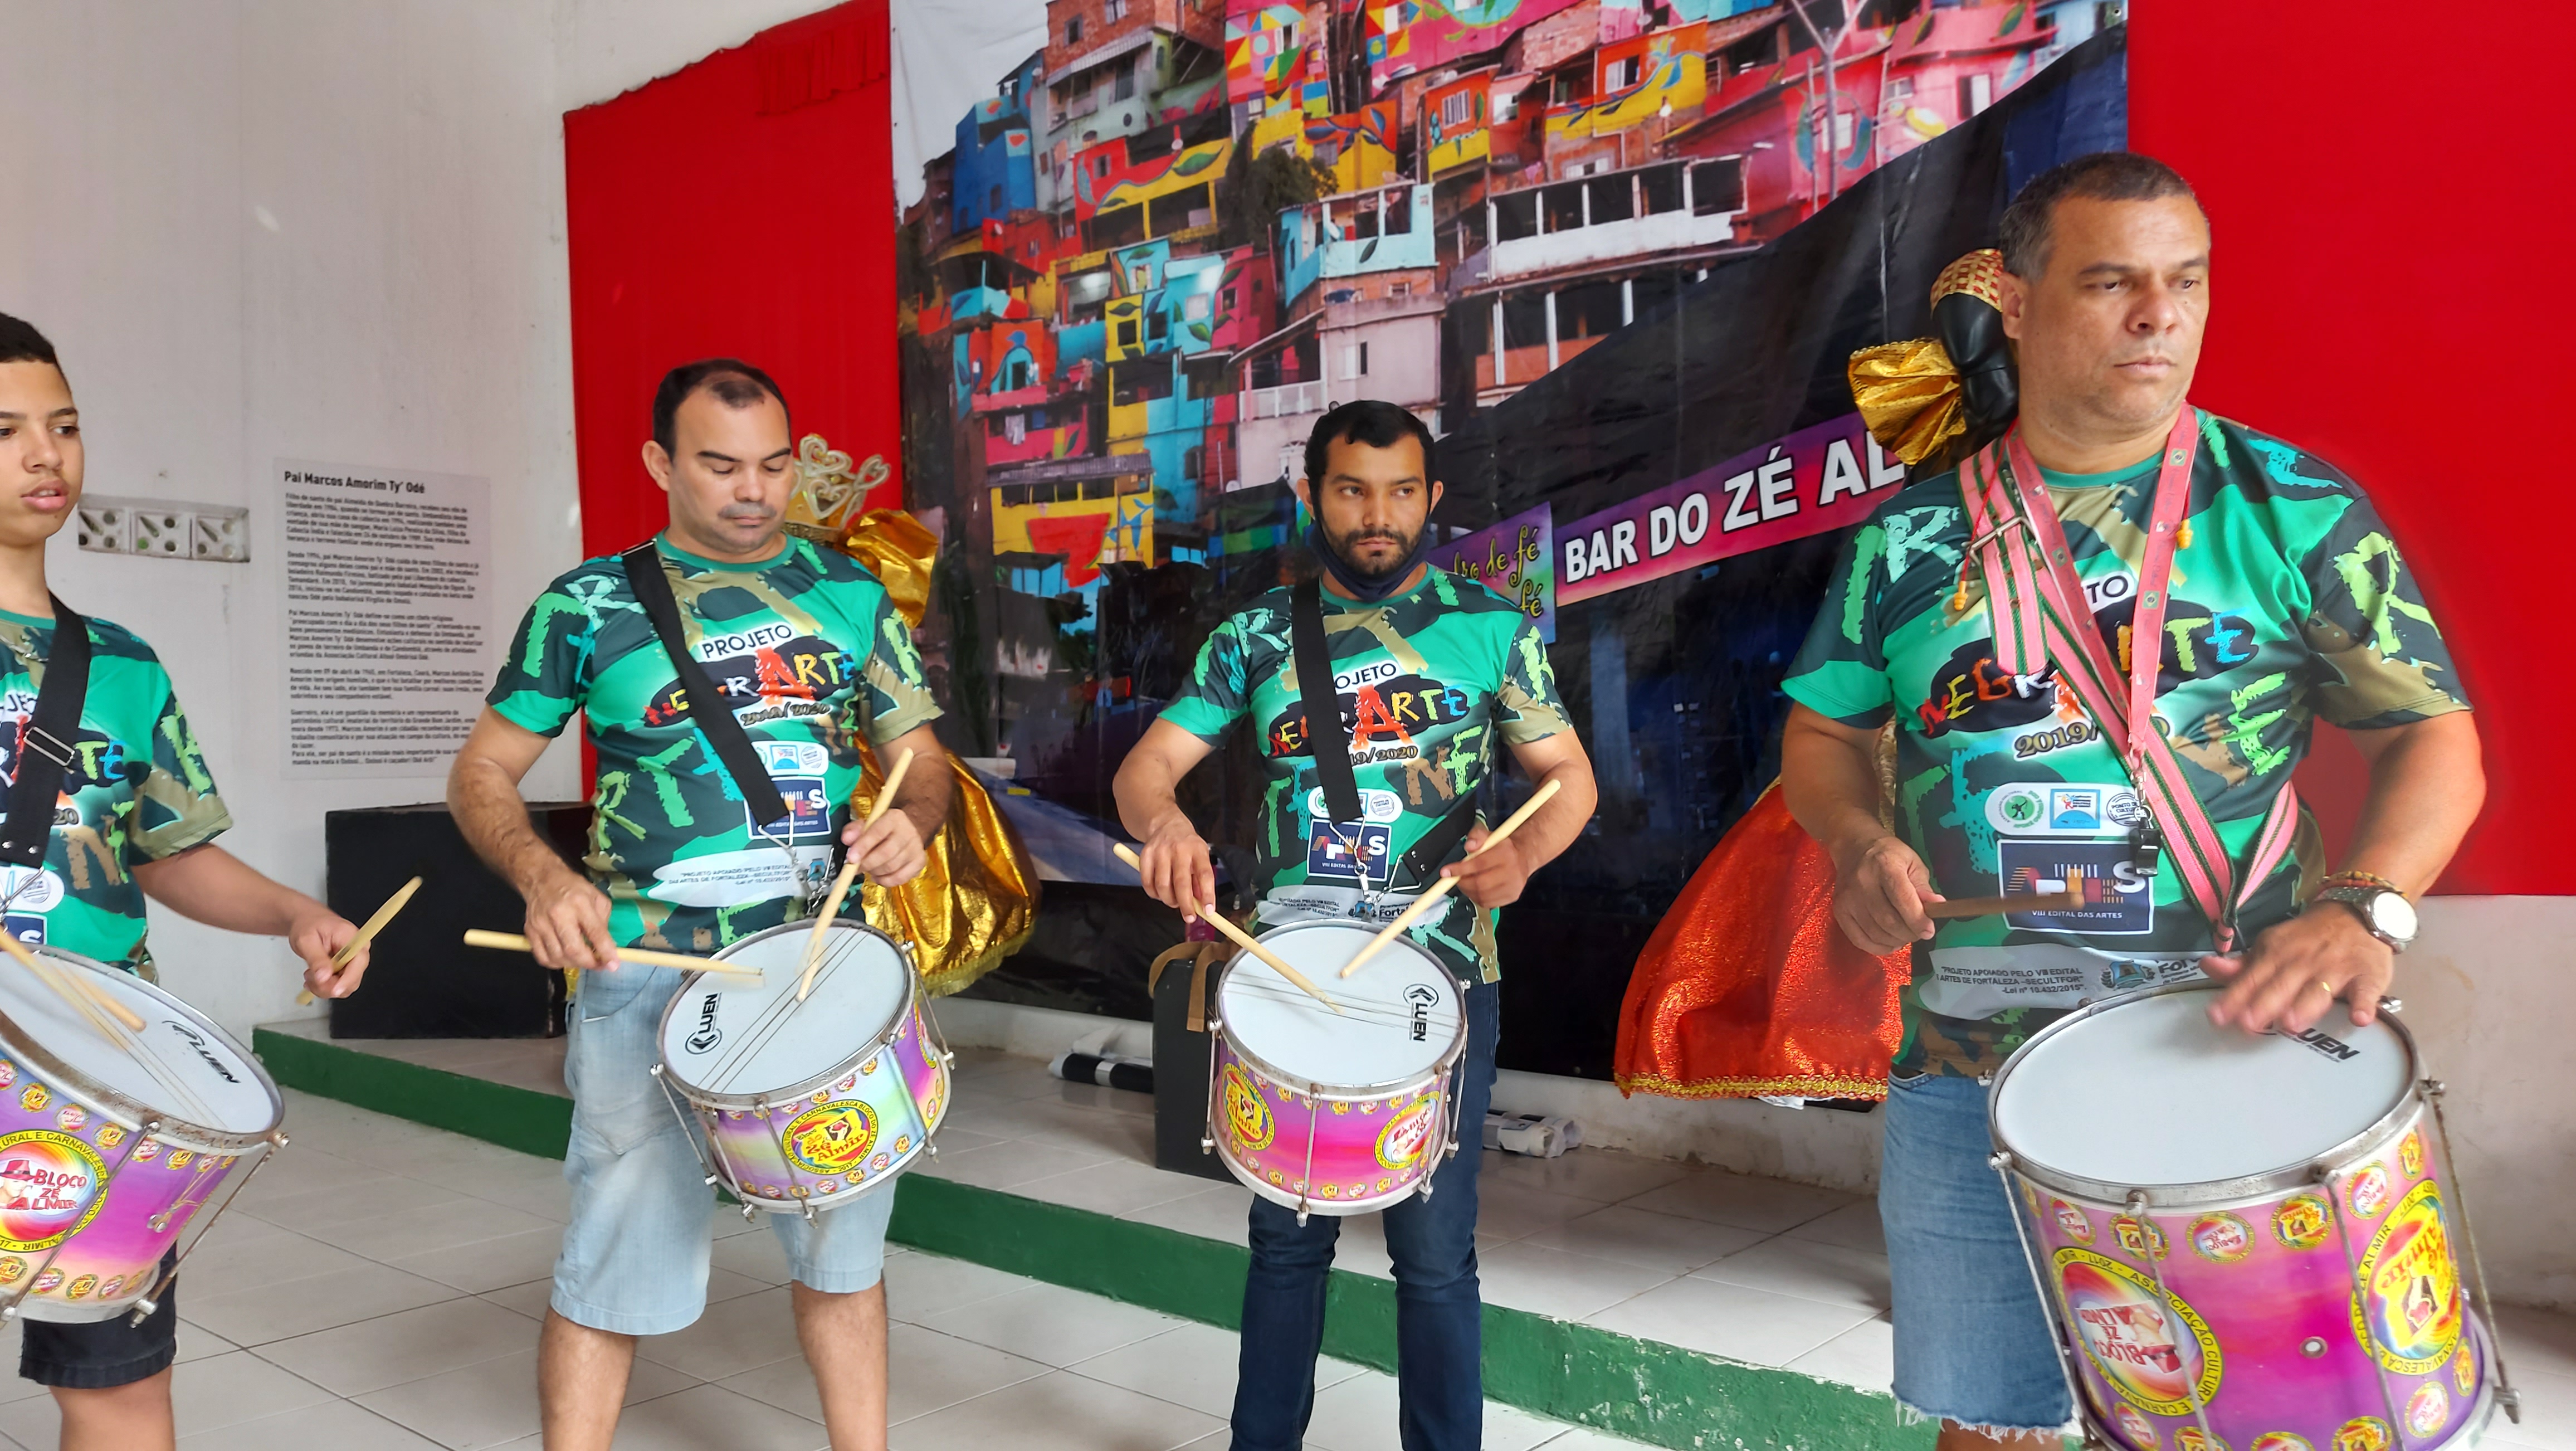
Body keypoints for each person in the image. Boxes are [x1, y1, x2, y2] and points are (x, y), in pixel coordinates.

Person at [1778, 153, 2484, 1442]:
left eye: (2185, 282)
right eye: (2110, 283)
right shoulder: (1908, 538)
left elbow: (2432, 736)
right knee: (1985, 1425)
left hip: (2235, 1050)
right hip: (1970, 1070)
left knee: (2258, 1419)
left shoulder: (2285, 510)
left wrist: (2362, 907)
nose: (2159, 317)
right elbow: (1823, 731)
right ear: (2013, 299)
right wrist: (1855, 836)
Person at [446, 358, 950, 1451]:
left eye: (773, 464)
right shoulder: (588, 605)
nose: (753, 491)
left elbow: (921, 762)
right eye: (720, 466)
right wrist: (544, 876)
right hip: (645, 972)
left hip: (820, 971)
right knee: (612, 1256)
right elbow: (481, 771)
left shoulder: (851, 596)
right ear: (659, 464)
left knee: (844, 1256)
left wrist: (913, 817)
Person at [1113, 400, 1598, 1451]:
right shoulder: (1254, 637)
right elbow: (1146, 770)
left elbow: (1569, 779)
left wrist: (1523, 855)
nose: (1378, 515)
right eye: (1351, 490)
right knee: (1285, 1242)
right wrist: (1166, 827)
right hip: (1292, 975)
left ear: (1433, 497)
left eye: (1401, 491)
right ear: (1313, 496)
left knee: (1434, 1254)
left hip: (1444, 974)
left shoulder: (1492, 629)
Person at [0, 315, 370, 1450]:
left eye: (64, 426)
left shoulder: (120, 665)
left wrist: (295, 913)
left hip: (100, 1071)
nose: (45, 455)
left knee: (119, 1386)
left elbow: (164, 850)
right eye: (5, 431)